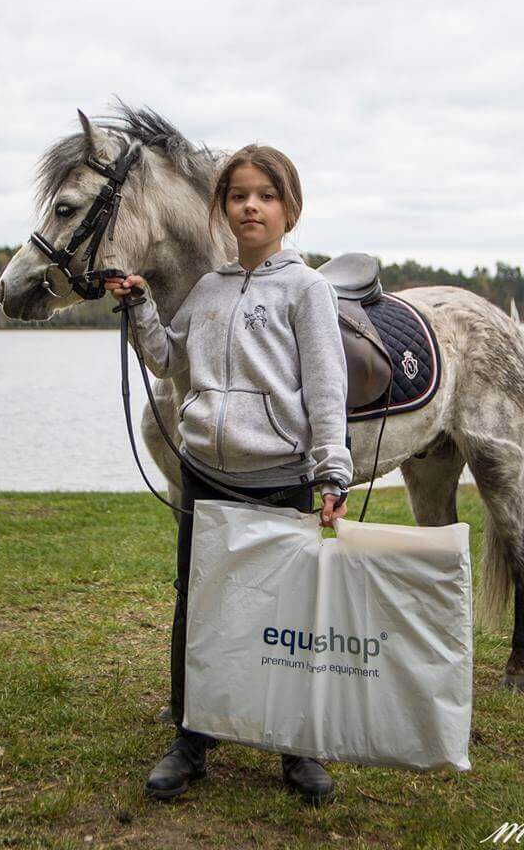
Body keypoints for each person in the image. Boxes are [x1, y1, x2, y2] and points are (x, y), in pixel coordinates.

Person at [107, 144, 352, 806]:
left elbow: (326, 388)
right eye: (238, 195)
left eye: (266, 196)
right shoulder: (209, 289)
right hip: (205, 477)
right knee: (197, 605)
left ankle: (298, 747)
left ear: (289, 210)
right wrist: (140, 308)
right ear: (221, 208)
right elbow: (167, 360)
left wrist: (332, 473)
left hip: (279, 477)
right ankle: (191, 738)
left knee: (289, 612)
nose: (251, 206)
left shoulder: (308, 290)